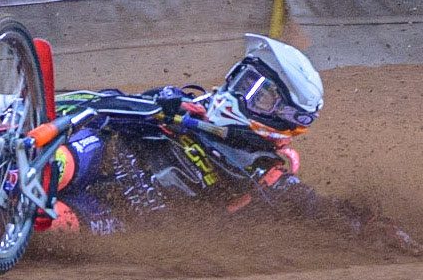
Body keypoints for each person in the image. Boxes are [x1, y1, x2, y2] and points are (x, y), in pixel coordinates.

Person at [45, 33, 418, 251]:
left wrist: (375, 225)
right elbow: (109, 105)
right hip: (109, 154)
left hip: (129, 214)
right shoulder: (188, 103)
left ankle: (5, 222)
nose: (239, 95)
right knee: (74, 154)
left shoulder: (270, 179)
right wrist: (163, 105)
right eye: (245, 81)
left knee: (61, 226)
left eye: (260, 96)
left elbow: (324, 210)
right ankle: (24, 168)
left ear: (285, 121)